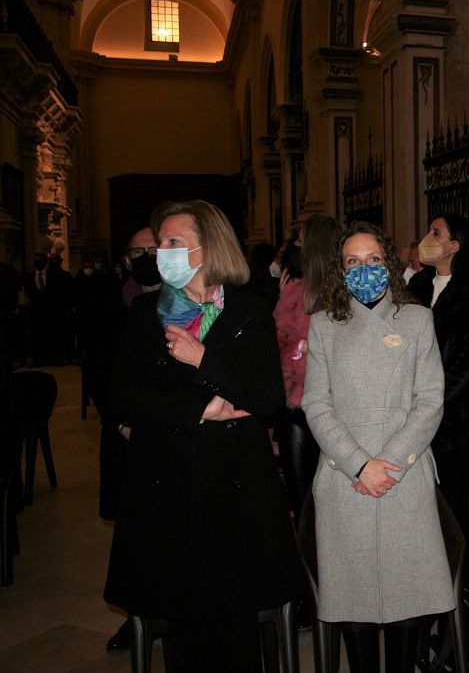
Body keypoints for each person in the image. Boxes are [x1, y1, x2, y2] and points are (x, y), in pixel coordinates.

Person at [103, 200, 305, 671]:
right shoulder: (145, 313)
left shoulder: (250, 311)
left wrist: (202, 360)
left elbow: (267, 394)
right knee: (184, 623)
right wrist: (203, 408)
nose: (162, 253)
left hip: (234, 489)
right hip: (166, 487)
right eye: (160, 245)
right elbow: (126, 397)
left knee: (236, 621)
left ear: (207, 248)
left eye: (173, 243)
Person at [302, 221, 454, 673]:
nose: (363, 269)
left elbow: (430, 399)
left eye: (372, 259)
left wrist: (388, 463)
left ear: (388, 264)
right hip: (344, 478)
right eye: (352, 261)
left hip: (402, 475)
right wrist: (358, 465)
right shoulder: (324, 325)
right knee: (356, 605)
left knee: (410, 602)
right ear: (339, 269)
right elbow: (316, 403)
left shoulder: (418, 319)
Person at [408, 213, 469, 589]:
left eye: (436, 232)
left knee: (459, 521)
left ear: (454, 245)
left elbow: (468, 363)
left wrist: (427, 403)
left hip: (455, 424)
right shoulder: (417, 288)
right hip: (414, 423)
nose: (427, 237)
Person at [101, 227, 164, 653]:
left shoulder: (185, 302)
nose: (143, 257)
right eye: (135, 250)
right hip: (125, 432)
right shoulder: (113, 302)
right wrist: (123, 421)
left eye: (152, 249)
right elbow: (101, 364)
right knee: (135, 533)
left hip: (167, 432)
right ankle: (137, 619)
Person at [273, 214, 343, 519]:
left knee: (316, 501)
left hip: (321, 408)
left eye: (300, 240)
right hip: (301, 408)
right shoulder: (298, 289)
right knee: (308, 501)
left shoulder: (340, 292)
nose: (293, 246)